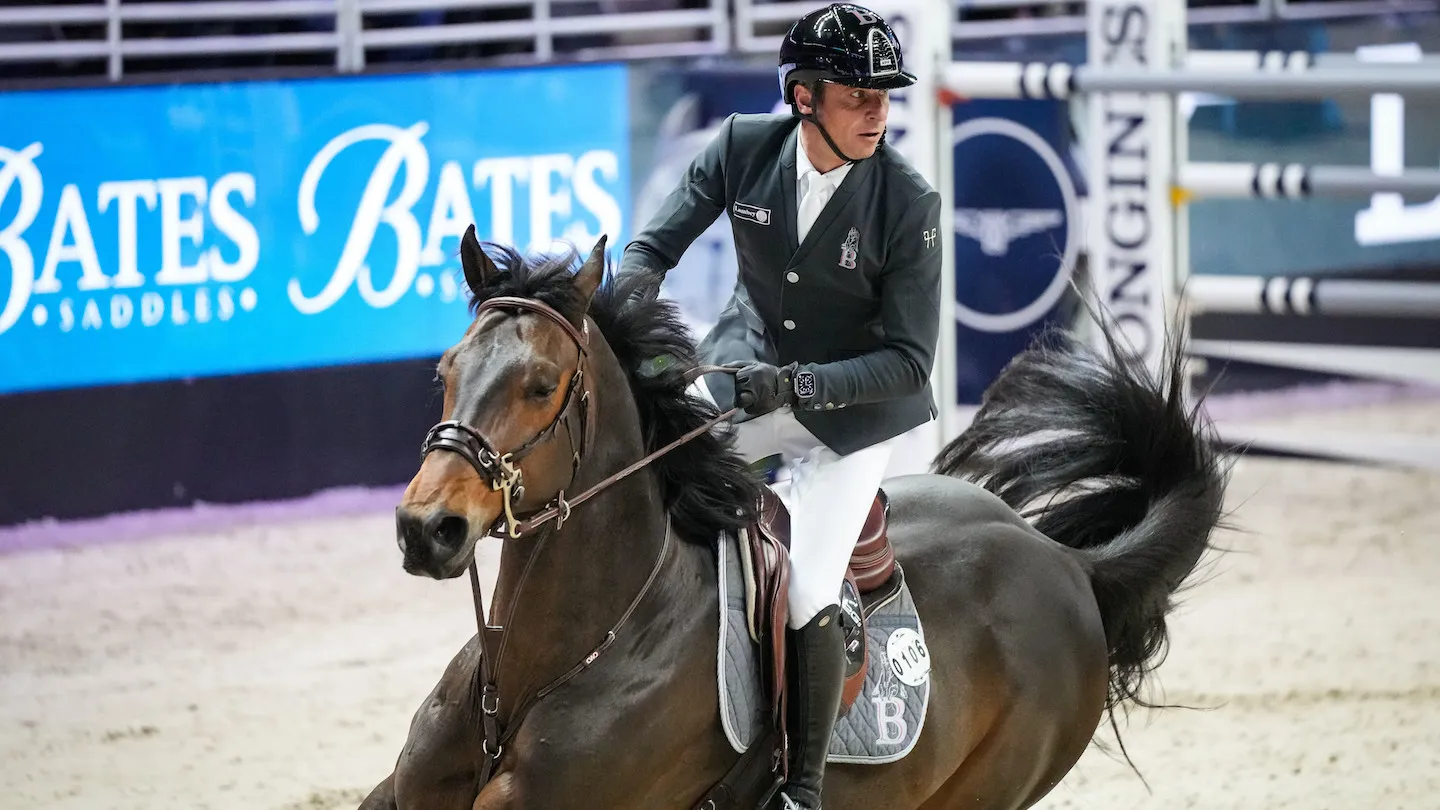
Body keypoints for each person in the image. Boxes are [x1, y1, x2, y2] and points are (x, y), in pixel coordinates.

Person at [618, 4, 942, 808]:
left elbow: (908, 361)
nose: (878, 111)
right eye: (857, 94)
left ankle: (801, 787)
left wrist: (795, 387)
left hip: (851, 418)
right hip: (742, 368)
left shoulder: (907, 203)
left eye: (885, 95)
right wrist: (623, 319)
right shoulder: (741, 147)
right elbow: (651, 249)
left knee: (804, 585)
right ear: (804, 97)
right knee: (649, 481)